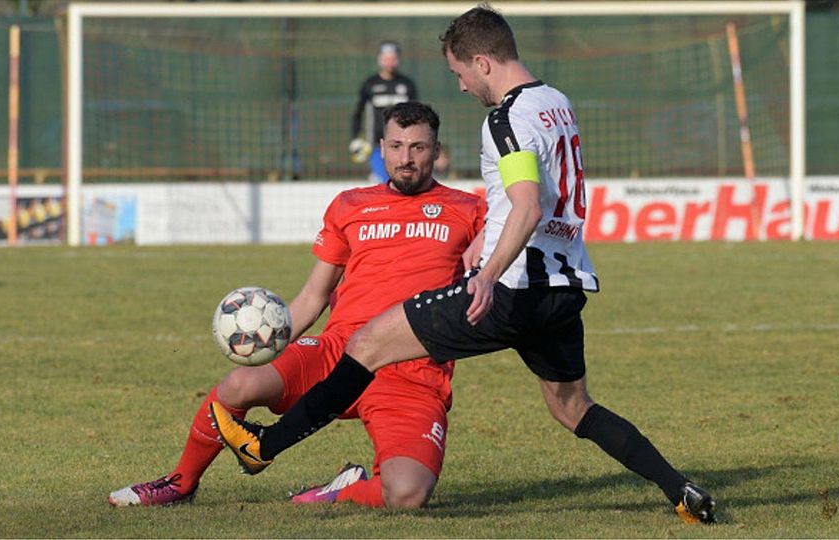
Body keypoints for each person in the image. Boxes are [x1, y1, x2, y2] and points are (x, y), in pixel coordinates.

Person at [212, 5, 717, 525]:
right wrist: (487, 238)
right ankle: (680, 490)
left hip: (514, 288)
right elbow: (535, 194)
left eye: (459, 73)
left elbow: (527, 204)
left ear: (482, 62)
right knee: (573, 408)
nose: (459, 86)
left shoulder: (504, 118)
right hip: (563, 287)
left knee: (365, 343)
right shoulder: (555, 102)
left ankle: (264, 447)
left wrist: (489, 271)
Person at [108, 101, 484, 509]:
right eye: (395, 146)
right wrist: (269, 338)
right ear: (381, 146)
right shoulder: (351, 205)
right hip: (340, 351)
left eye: (418, 148)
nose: (405, 159)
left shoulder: (470, 211)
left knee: (407, 494)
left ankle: (343, 490)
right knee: (239, 385)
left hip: (413, 370)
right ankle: (180, 483)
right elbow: (313, 296)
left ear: (436, 149)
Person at [349, 41, 418, 183]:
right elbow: (358, 113)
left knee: (402, 181)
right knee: (384, 180)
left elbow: (417, 114)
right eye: (386, 58)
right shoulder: (370, 84)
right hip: (377, 145)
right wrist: (356, 137)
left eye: (393, 58)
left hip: (403, 145)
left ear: (398, 60)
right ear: (380, 59)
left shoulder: (407, 84)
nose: (389, 62)